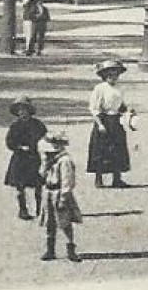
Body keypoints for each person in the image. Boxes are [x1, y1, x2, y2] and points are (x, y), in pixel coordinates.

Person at [86, 58, 132, 188]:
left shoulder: (119, 88)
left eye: (116, 74)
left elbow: (121, 105)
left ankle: (117, 178)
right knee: (101, 150)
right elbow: (94, 108)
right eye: (110, 74)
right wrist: (100, 124)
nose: (113, 77)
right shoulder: (100, 88)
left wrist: (127, 111)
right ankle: (98, 178)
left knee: (118, 149)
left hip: (116, 120)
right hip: (104, 120)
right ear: (105, 75)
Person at [39, 130, 81, 262]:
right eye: (52, 143)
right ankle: (50, 249)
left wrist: (64, 197)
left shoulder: (65, 160)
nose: (54, 146)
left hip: (59, 193)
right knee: (49, 222)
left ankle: (71, 248)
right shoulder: (50, 159)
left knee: (65, 221)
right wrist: (45, 165)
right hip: (48, 192)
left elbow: (67, 180)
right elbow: (41, 175)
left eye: (57, 143)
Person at [4, 97, 47, 220]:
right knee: (20, 186)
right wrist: (19, 147)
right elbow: (9, 142)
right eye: (19, 110)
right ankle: (23, 210)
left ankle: (40, 210)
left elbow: (45, 138)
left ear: (29, 110)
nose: (22, 112)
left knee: (38, 184)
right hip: (20, 159)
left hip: (34, 158)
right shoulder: (15, 126)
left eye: (24, 109)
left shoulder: (38, 124)